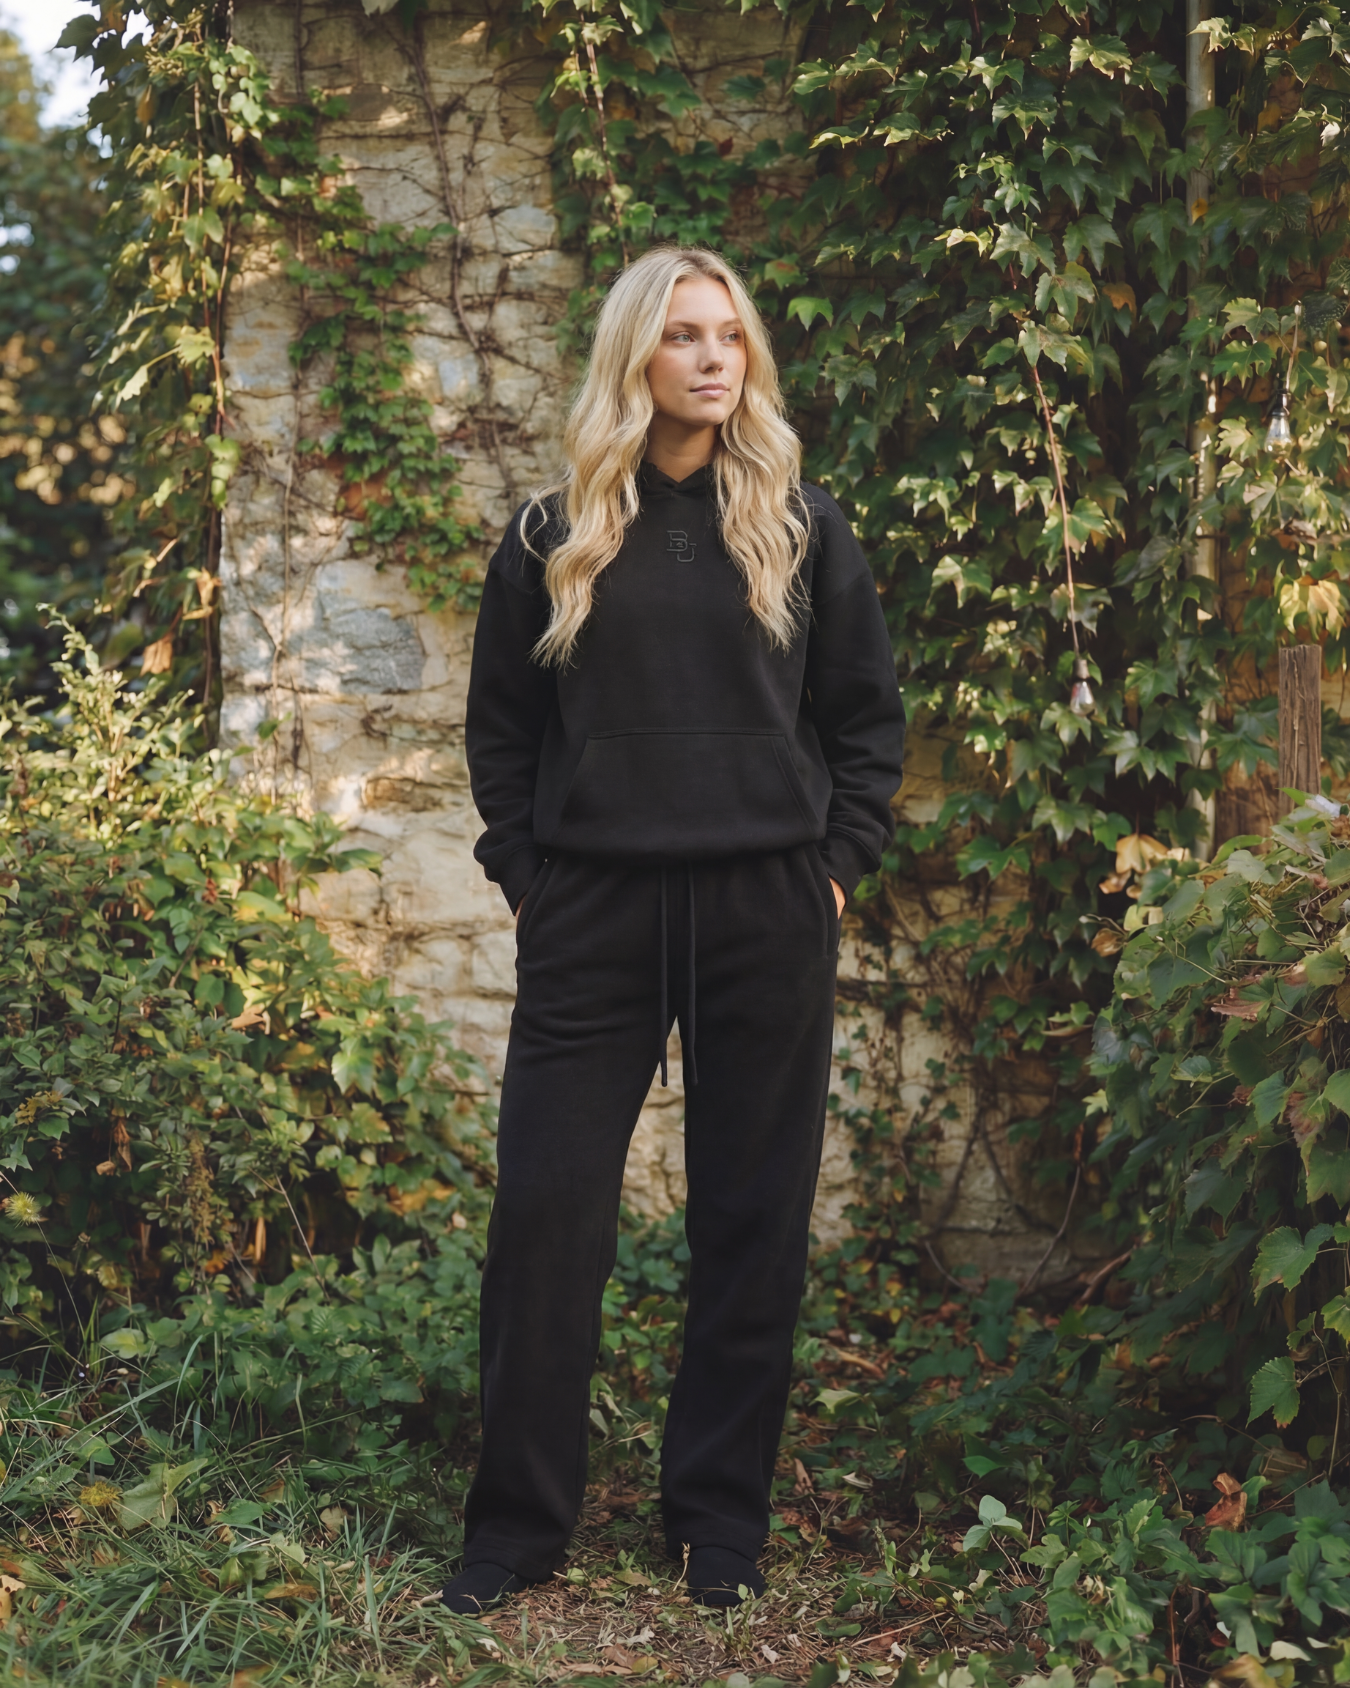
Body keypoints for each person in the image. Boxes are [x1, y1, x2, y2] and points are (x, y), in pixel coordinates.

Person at [445, 245, 906, 1615]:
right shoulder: (551, 534)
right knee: (546, 1219)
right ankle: (516, 1531)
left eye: (729, 337)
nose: (712, 359)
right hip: (593, 907)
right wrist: (533, 876)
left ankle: (717, 1521)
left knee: (749, 1221)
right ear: (632, 361)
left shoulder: (802, 528)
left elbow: (864, 722)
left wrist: (833, 872)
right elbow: (500, 733)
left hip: (767, 905)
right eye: (681, 337)